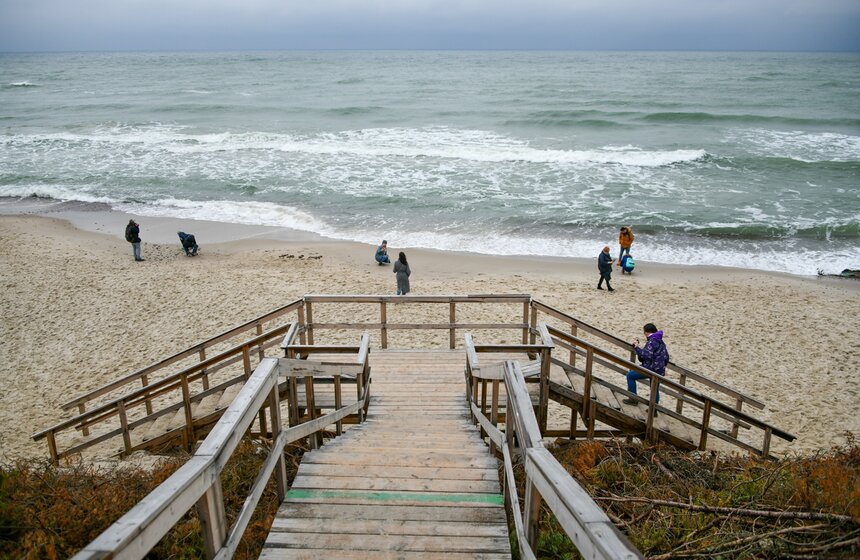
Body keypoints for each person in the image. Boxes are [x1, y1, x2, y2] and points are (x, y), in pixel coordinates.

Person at [623, 323, 670, 408]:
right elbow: (667, 357)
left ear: (646, 332)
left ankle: (633, 399)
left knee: (630, 376)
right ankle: (654, 410)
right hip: (659, 370)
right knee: (654, 389)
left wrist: (637, 347)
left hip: (650, 368)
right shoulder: (661, 342)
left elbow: (646, 356)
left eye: (644, 332)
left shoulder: (652, 341)